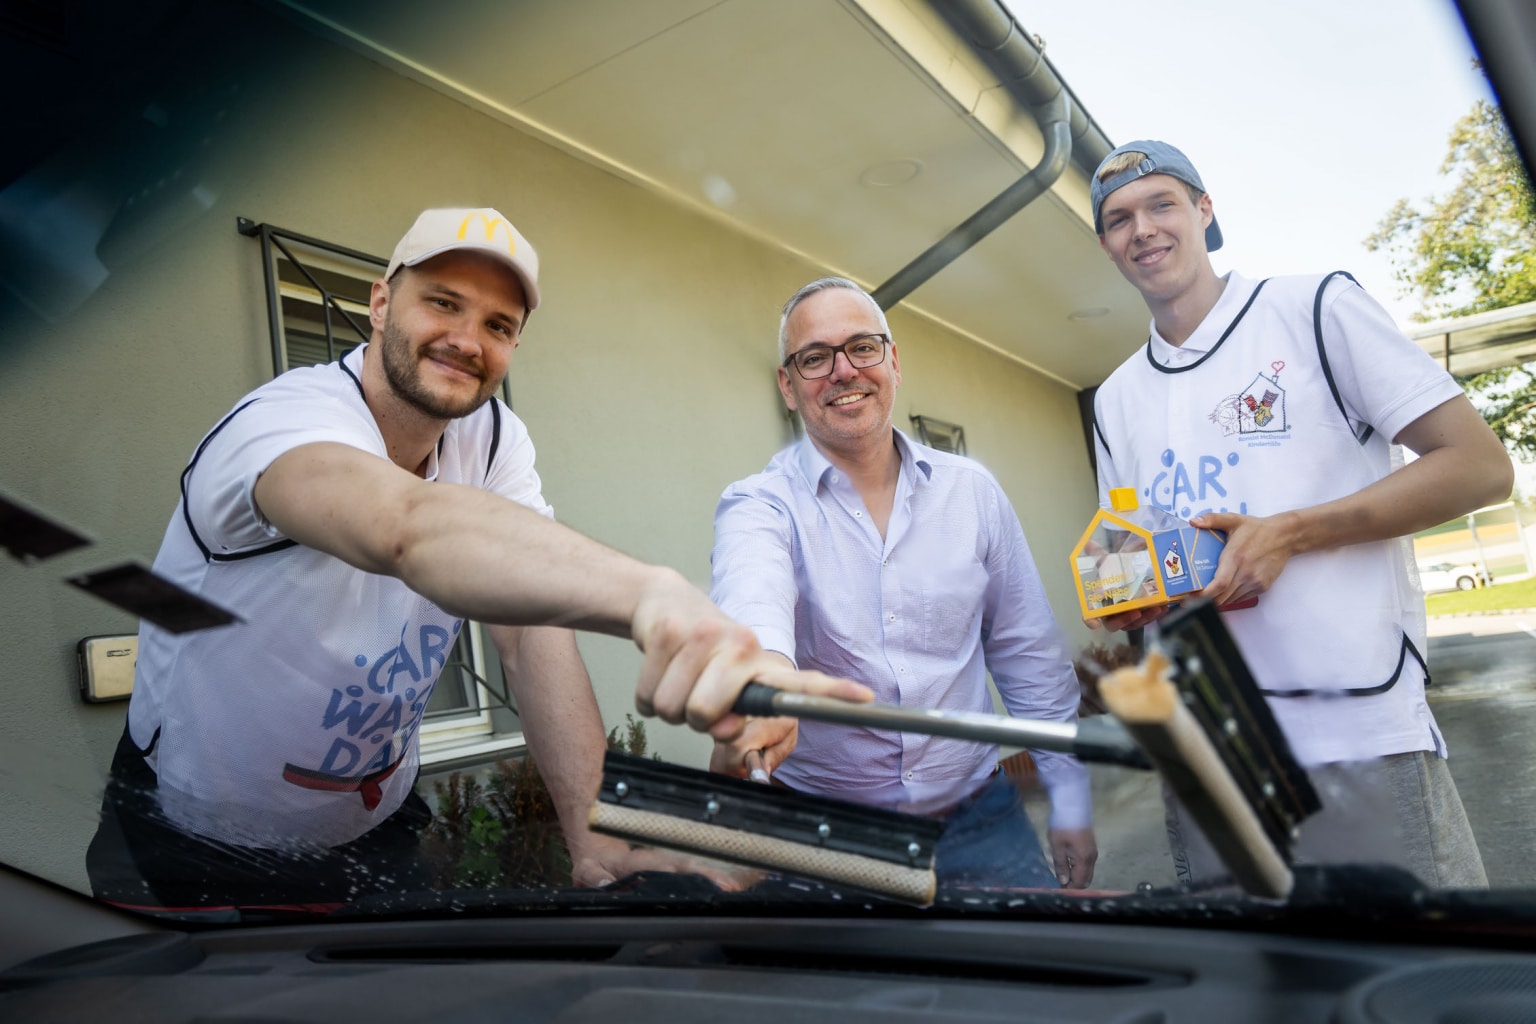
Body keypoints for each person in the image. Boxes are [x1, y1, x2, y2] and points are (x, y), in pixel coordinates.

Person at [85, 207, 868, 911]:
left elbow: (527, 634)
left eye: (499, 324)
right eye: (443, 303)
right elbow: (408, 527)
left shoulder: (490, 438)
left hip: (376, 830)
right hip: (189, 838)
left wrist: (597, 836)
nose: (468, 340)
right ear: (381, 302)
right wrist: (654, 595)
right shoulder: (282, 420)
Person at [1087, 141, 1514, 888]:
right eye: (1119, 218)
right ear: (1106, 246)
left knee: (1412, 981)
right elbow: (1128, 551)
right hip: (1212, 748)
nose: (1143, 229)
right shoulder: (1118, 395)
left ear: (1204, 211)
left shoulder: (1314, 308)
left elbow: (1479, 467)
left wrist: (1290, 533)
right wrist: (1123, 618)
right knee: (1259, 987)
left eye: (1162, 204)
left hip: (1355, 728)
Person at [709, 277, 1098, 890]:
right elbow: (752, 599)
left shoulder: (972, 492)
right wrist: (763, 681)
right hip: (824, 835)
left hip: (981, 817)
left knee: (1038, 977)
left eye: (862, 347)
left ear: (893, 360)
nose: (843, 371)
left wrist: (1069, 801)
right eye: (815, 358)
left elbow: (1026, 654)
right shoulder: (758, 506)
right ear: (788, 386)